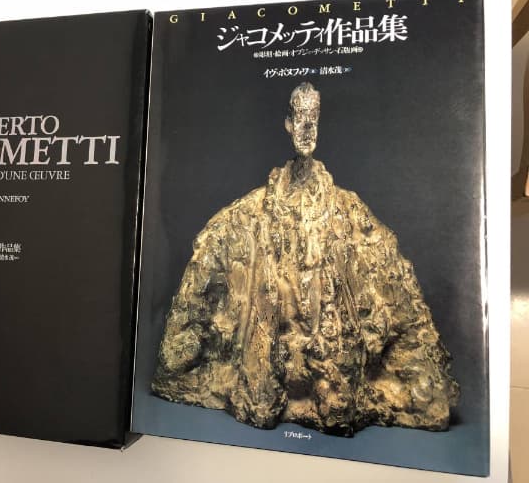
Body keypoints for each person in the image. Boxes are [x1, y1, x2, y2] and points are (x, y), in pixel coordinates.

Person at [152, 82, 459, 436]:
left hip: (327, 357)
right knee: (190, 363)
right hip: (271, 360)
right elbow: (210, 264)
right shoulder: (247, 214)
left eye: (314, 118)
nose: (307, 129)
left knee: (359, 397)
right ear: (288, 123)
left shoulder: (347, 210)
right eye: (301, 119)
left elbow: (394, 279)